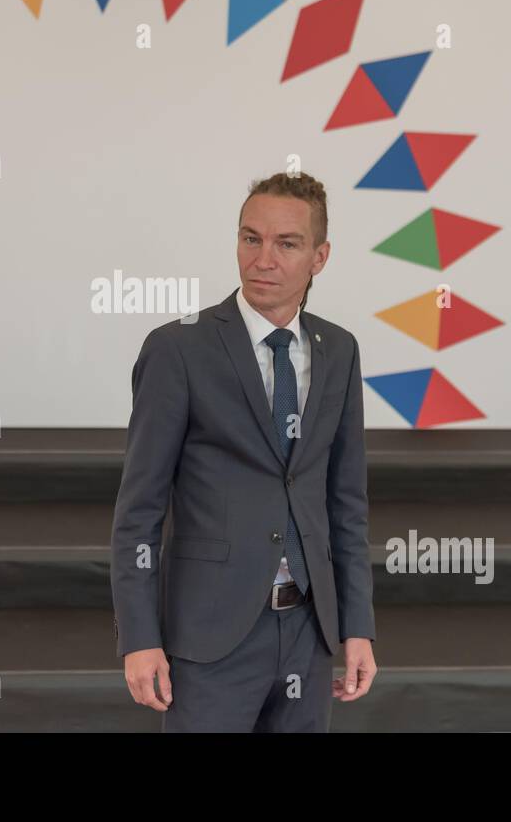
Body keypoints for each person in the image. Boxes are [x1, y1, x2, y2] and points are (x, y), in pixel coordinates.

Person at [110, 171, 378, 732]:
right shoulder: (177, 350)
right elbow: (139, 511)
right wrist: (139, 638)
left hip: (309, 632)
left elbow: (345, 504)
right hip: (210, 637)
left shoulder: (340, 352)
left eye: (287, 243)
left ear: (320, 256)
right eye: (250, 238)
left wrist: (358, 626)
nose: (263, 259)